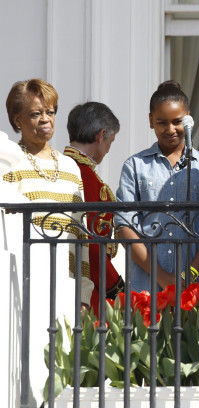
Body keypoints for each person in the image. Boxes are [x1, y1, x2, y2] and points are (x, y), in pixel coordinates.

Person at [3, 78, 93, 408]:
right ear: (16, 120)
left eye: (51, 112)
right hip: (23, 282)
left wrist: (84, 291)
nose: (45, 120)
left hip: (65, 284)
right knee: (26, 372)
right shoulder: (6, 163)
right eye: (35, 113)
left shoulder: (71, 170)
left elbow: (81, 235)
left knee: (63, 372)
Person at [116, 81, 199, 292]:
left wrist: (188, 275)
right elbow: (125, 228)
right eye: (161, 122)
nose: (170, 129)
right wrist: (163, 277)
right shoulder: (135, 166)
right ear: (150, 121)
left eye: (177, 121)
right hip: (146, 287)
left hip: (196, 289)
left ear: (188, 119)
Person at [64, 101, 124, 314]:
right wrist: (116, 287)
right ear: (101, 135)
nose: (108, 149)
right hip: (89, 291)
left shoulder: (68, 168)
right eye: (111, 141)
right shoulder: (85, 177)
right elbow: (91, 243)